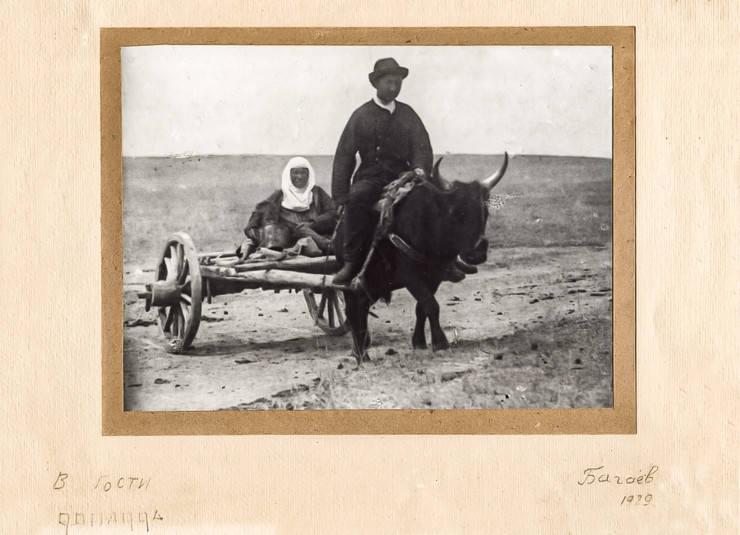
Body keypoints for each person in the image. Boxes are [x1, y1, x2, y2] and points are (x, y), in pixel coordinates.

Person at [331, 58, 434, 287]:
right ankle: (351, 262)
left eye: (398, 82)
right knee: (357, 198)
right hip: (371, 176)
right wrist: (340, 196)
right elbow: (345, 155)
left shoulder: (408, 114)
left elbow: (422, 147)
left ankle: (444, 258)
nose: (393, 87)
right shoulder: (361, 115)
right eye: (388, 82)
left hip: (403, 175)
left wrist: (419, 168)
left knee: (432, 196)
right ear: (376, 83)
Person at [239, 156, 336, 259]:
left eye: (303, 173)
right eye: (295, 173)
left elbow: (332, 214)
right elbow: (253, 222)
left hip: (315, 236)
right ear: (288, 174)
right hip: (286, 243)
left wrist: (312, 224)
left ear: (309, 174)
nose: (299, 177)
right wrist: (260, 237)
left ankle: (327, 246)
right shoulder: (279, 196)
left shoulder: (317, 193)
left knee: (305, 236)